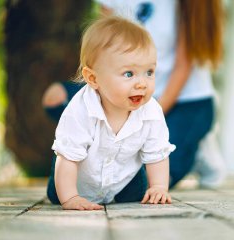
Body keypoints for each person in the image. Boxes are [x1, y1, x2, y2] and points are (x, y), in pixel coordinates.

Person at [43, 0, 224, 189]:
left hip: (184, 101)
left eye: (150, 71)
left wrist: (143, 119)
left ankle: (191, 146)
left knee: (146, 182)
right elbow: (100, 52)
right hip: (122, 91)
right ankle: (99, 146)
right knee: (56, 98)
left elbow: (182, 67)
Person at [46, 15, 175, 210]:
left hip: (125, 180)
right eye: (129, 74)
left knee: (139, 192)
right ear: (93, 78)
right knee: (59, 186)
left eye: (149, 72)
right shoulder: (80, 110)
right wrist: (70, 198)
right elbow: (69, 159)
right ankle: (64, 191)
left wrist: (158, 187)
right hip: (77, 181)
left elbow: (157, 153)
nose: (142, 83)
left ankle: (137, 187)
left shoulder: (151, 111)